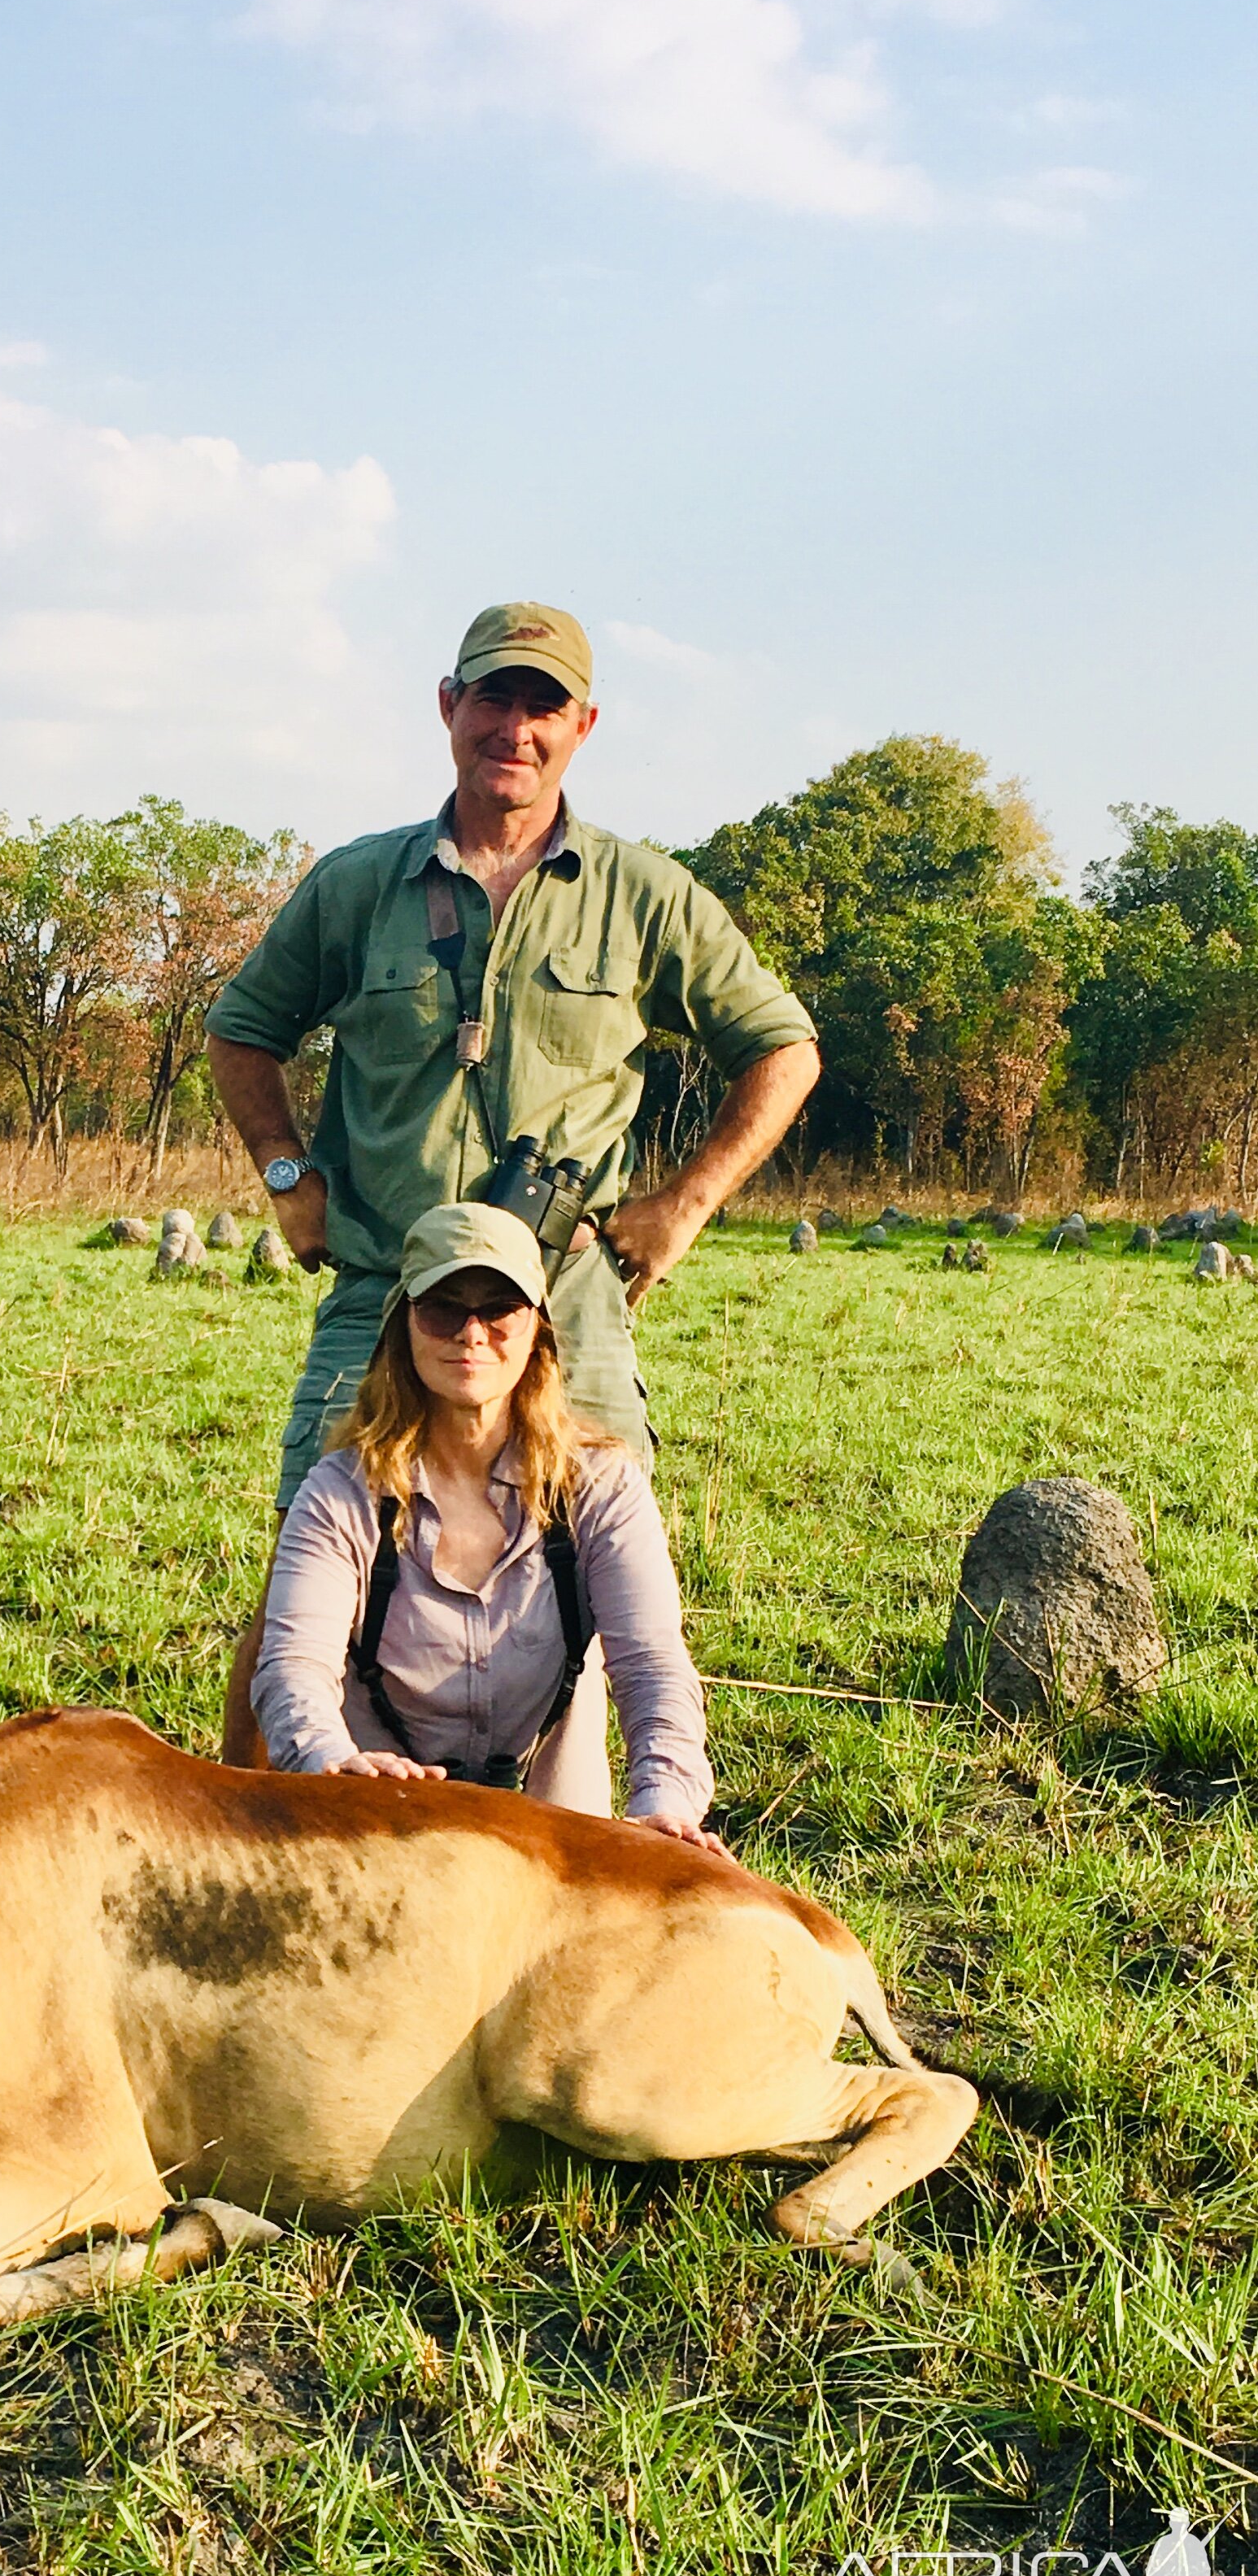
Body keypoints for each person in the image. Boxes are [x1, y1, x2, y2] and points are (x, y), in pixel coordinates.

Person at [207, 599, 819, 1763]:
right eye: (493, 696)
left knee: (586, 1580)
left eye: (543, 705)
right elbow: (242, 1026)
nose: (515, 727)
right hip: (387, 1286)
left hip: (565, 1298)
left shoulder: (643, 893)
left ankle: (562, 1862)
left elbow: (782, 1049)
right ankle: (244, 1828)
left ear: (583, 725)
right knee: (309, 1548)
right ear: (449, 706)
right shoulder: (356, 884)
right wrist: (291, 1175)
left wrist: (681, 1205)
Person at [253, 1202, 724, 1850]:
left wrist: (663, 1805)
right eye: (444, 1307)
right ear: (403, 1326)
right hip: (377, 1814)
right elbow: (292, 1668)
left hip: (554, 1829)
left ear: (538, 1331)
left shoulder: (602, 1486)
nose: (471, 1333)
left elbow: (652, 1667)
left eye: (499, 1309)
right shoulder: (340, 1492)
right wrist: (331, 1760)